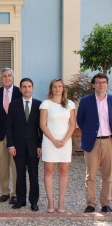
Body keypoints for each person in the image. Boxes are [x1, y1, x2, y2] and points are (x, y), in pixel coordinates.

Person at [77, 73, 112, 213]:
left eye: (103, 82)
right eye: (98, 82)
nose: (101, 85)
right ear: (93, 84)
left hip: (109, 141)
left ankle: (106, 203)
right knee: (90, 175)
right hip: (92, 142)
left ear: (107, 84)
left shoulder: (111, 100)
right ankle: (90, 204)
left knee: (108, 175)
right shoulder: (86, 101)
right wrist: (89, 133)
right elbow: (80, 120)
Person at [40, 78, 76, 213]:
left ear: (63, 88)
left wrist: (65, 140)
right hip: (50, 141)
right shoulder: (46, 104)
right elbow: (42, 124)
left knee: (63, 171)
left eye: (59, 86)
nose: (57, 89)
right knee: (48, 171)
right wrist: (54, 140)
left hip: (65, 142)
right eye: (55, 86)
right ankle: (50, 201)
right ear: (51, 89)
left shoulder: (70, 104)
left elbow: (72, 124)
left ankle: (61, 201)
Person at [6, 78, 42, 211]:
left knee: (33, 175)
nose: (26, 89)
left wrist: (40, 145)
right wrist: (10, 145)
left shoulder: (39, 105)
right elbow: (8, 126)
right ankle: (20, 200)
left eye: (29, 86)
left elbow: (41, 128)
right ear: (20, 89)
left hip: (33, 147)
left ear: (32, 88)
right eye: (24, 87)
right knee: (20, 174)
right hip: (18, 147)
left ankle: (34, 201)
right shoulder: (14, 105)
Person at [0, 67, 22, 204]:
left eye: (9, 75)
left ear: (13, 77)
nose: (7, 78)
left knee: (16, 165)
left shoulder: (19, 92)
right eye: (4, 76)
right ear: (1, 78)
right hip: (1, 135)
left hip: (16, 135)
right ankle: (5, 191)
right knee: (2, 165)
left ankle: (16, 193)